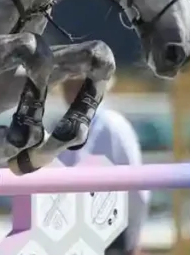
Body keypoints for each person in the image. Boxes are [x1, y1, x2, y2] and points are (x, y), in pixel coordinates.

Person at [56, 77, 150, 255]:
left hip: (109, 237)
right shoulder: (63, 129)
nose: (70, 92)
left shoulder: (113, 126)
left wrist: (133, 240)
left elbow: (136, 188)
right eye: (67, 84)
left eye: (78, 85)